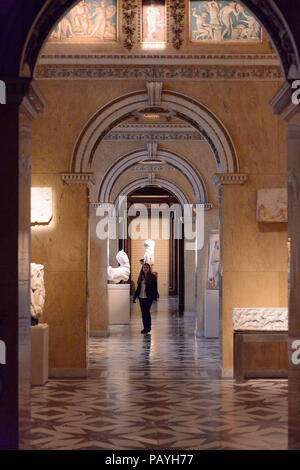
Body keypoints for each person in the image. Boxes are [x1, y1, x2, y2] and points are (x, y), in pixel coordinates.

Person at [133, 263, 158, 334]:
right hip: (141, 297)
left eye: (147, 267)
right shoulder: (141, 277)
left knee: (147, 312)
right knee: (143, 313)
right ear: (142, 269)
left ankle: (148, 327)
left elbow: (154, 288)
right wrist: (134, 297)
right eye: (144, 268)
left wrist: (155, 298)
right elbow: (138, 288)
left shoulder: (152, 277)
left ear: (149, 269)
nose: (146, 269)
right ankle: (145, 327)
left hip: (148, 297)